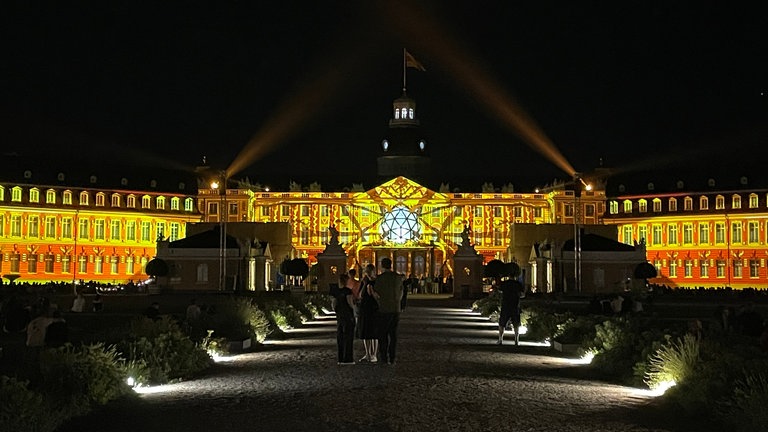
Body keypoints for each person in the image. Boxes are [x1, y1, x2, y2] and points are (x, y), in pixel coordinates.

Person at [372, 257, 404, 365]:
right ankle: (392, 357)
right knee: (393, 335)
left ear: (382, 265)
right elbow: (401, 292)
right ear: (391, 265)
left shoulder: (380, 278)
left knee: (383, 335)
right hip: (395, 309)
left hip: (383, 309)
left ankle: (384, 357)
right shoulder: (397, 277)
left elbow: (377, 294)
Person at [357, 263, 379, 363]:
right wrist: (365, 285)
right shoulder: (364, 282)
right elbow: (360, 295)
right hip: (365, 308)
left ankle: (374, 354)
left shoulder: (376, 282)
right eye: (367, 272)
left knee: (374, 332)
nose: (369, 274)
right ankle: (367, 354)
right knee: (365, 332)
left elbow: (378, 297)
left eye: (370, 271)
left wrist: (372, 292)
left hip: (374, 308)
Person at [334, 273, 356, 365]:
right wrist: (354, 311)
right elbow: (350, 303)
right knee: (348, 337)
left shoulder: (337, 292)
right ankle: (348, 358)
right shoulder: (348, 291)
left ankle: (340, 358)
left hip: (340, 316)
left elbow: (334, 304)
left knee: (340, 337)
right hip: (348, 315)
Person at [496, 276, 525, 345]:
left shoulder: (505, 283)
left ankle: (500, 339)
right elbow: (522, 294)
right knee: (516, 324)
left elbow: (499, 291)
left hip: (505, 305)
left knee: (502, 323)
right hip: (515, 305)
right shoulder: (518, 284)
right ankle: (516, 340)